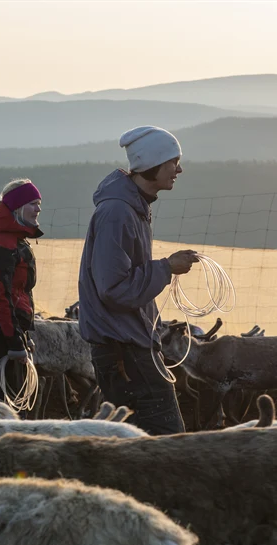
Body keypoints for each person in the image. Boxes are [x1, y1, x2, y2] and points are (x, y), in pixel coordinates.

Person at [78, 126, 200, 435]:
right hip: (126, 352)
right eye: (173, 162)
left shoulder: (132, 207)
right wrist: (166, 268)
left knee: (133, 444)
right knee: (166, 441)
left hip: (129, 347)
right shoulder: (118, 212)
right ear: (153, 163)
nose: (179, 170)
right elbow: (114, 289)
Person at [0, 178, 43, 402]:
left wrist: (22, 335)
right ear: (17, 207)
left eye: (38, 204)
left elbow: (19, 292)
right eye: (33, 203)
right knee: (3, 403)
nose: (38, 209)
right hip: (1, 331)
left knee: (12, 399)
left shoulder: (16, 241)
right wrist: (14, 340)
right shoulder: (5, 245)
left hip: (9, 329)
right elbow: (2, 297)